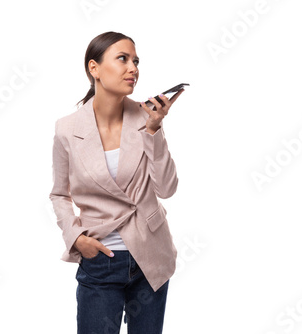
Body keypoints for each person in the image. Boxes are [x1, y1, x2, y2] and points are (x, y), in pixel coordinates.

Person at [49, 31, 184, 334]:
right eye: (122, 59)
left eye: (136, 61)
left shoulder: (146, 117)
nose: (133, 68)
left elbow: (167, 188)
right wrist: (76, 238)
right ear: (94, 68)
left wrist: (154, 129)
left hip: (150, 257)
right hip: (100, 260)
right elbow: (59, 194)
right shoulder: (67, 130)